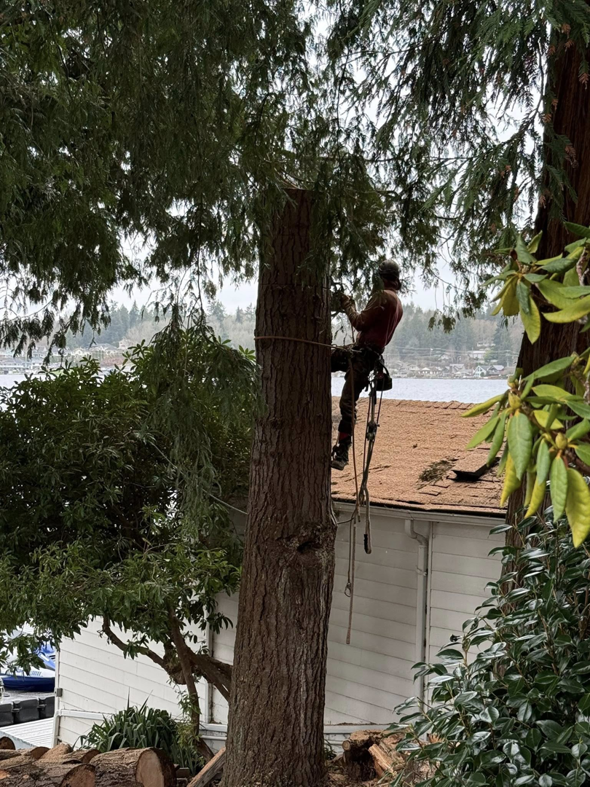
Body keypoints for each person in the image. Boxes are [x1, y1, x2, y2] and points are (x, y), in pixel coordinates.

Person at [331, 261, 403, 471]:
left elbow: (360, 322)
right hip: (364, 353)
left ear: (382, 278)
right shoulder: (396, 301)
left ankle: (342, 451)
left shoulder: (384, 297)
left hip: (364, 356)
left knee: (347, 403)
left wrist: (347, 304)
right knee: (325, 358)